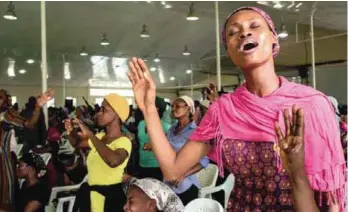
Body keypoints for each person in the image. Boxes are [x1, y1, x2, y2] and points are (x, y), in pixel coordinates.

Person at [127, 6, 346, 211]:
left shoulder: (312, 105)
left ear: (273, 39)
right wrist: (148, 107)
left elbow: (331, 200)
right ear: (229, 51)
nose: (243, 34)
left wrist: (296, 170)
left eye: (254, 26)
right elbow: (173, 170)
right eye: (233, 32)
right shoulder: (223, 110)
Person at [0, 89, 54, 211]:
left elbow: (29, 124)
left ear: (6, 103)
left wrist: (38, 106)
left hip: (0, 171)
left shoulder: (7, 116)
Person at [65, 93, 132, 212]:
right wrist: (70, 132)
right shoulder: (100, 137)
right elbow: (77, 143)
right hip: (92, 196)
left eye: (103, 110)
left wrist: (90, 134)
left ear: (116, 113)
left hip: (110, 199)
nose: (98, 113)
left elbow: (113, 160)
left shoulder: (124, 141)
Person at [165, 96, 209, 205]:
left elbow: (204, 161)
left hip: (185, 185)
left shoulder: (196, 132)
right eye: (172, 106)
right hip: (168, 183)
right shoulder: (171, 129)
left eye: (178, 106)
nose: (173, 109)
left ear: (188, 109)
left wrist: (183, 175)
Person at [137, 96, 170, 181]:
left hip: (157, 166)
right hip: (142, 164)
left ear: (157, 108)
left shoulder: (165, 127)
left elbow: (170, 146)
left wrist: (155, 146)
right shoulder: (141, 124)